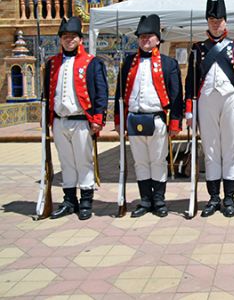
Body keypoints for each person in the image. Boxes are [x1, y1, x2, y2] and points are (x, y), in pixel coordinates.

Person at [185, 0, 234, 218]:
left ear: (226, 21)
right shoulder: (197, 48)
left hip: (231, 101)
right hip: (205, 102)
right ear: (207, 22)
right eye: (212, 20)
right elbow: (191, 82)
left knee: (230, 151)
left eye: (220, 20)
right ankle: (214, 198)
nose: (216, 24)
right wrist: (189, 110)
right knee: (211, 151)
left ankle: (229, 198)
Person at [114, 14, 183, 218]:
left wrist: (176, 123)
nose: (145, 40)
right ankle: (145, 200)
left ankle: (159, 200)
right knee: (140, 162)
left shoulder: (169, 63)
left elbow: (177, 95)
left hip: (157, 119)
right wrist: (119, 121)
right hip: (134, 119)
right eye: (142, 37)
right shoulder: (128, 63)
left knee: (158, 161)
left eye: (149, 36)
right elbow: (119, 94)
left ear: (157, 39)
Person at [44, 16, 108, 220]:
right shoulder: (52, 63)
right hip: (59, 120)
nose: (68, 40)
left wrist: (98, 118)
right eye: (65, 36)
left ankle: (87, 201)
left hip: (82, 120)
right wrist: (48, 120)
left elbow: (101, 92)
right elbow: (48, 92)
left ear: (80, 39)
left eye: (72, 36)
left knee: (84, 161)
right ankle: (69, 200)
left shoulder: (92, 62)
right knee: (66, 162)